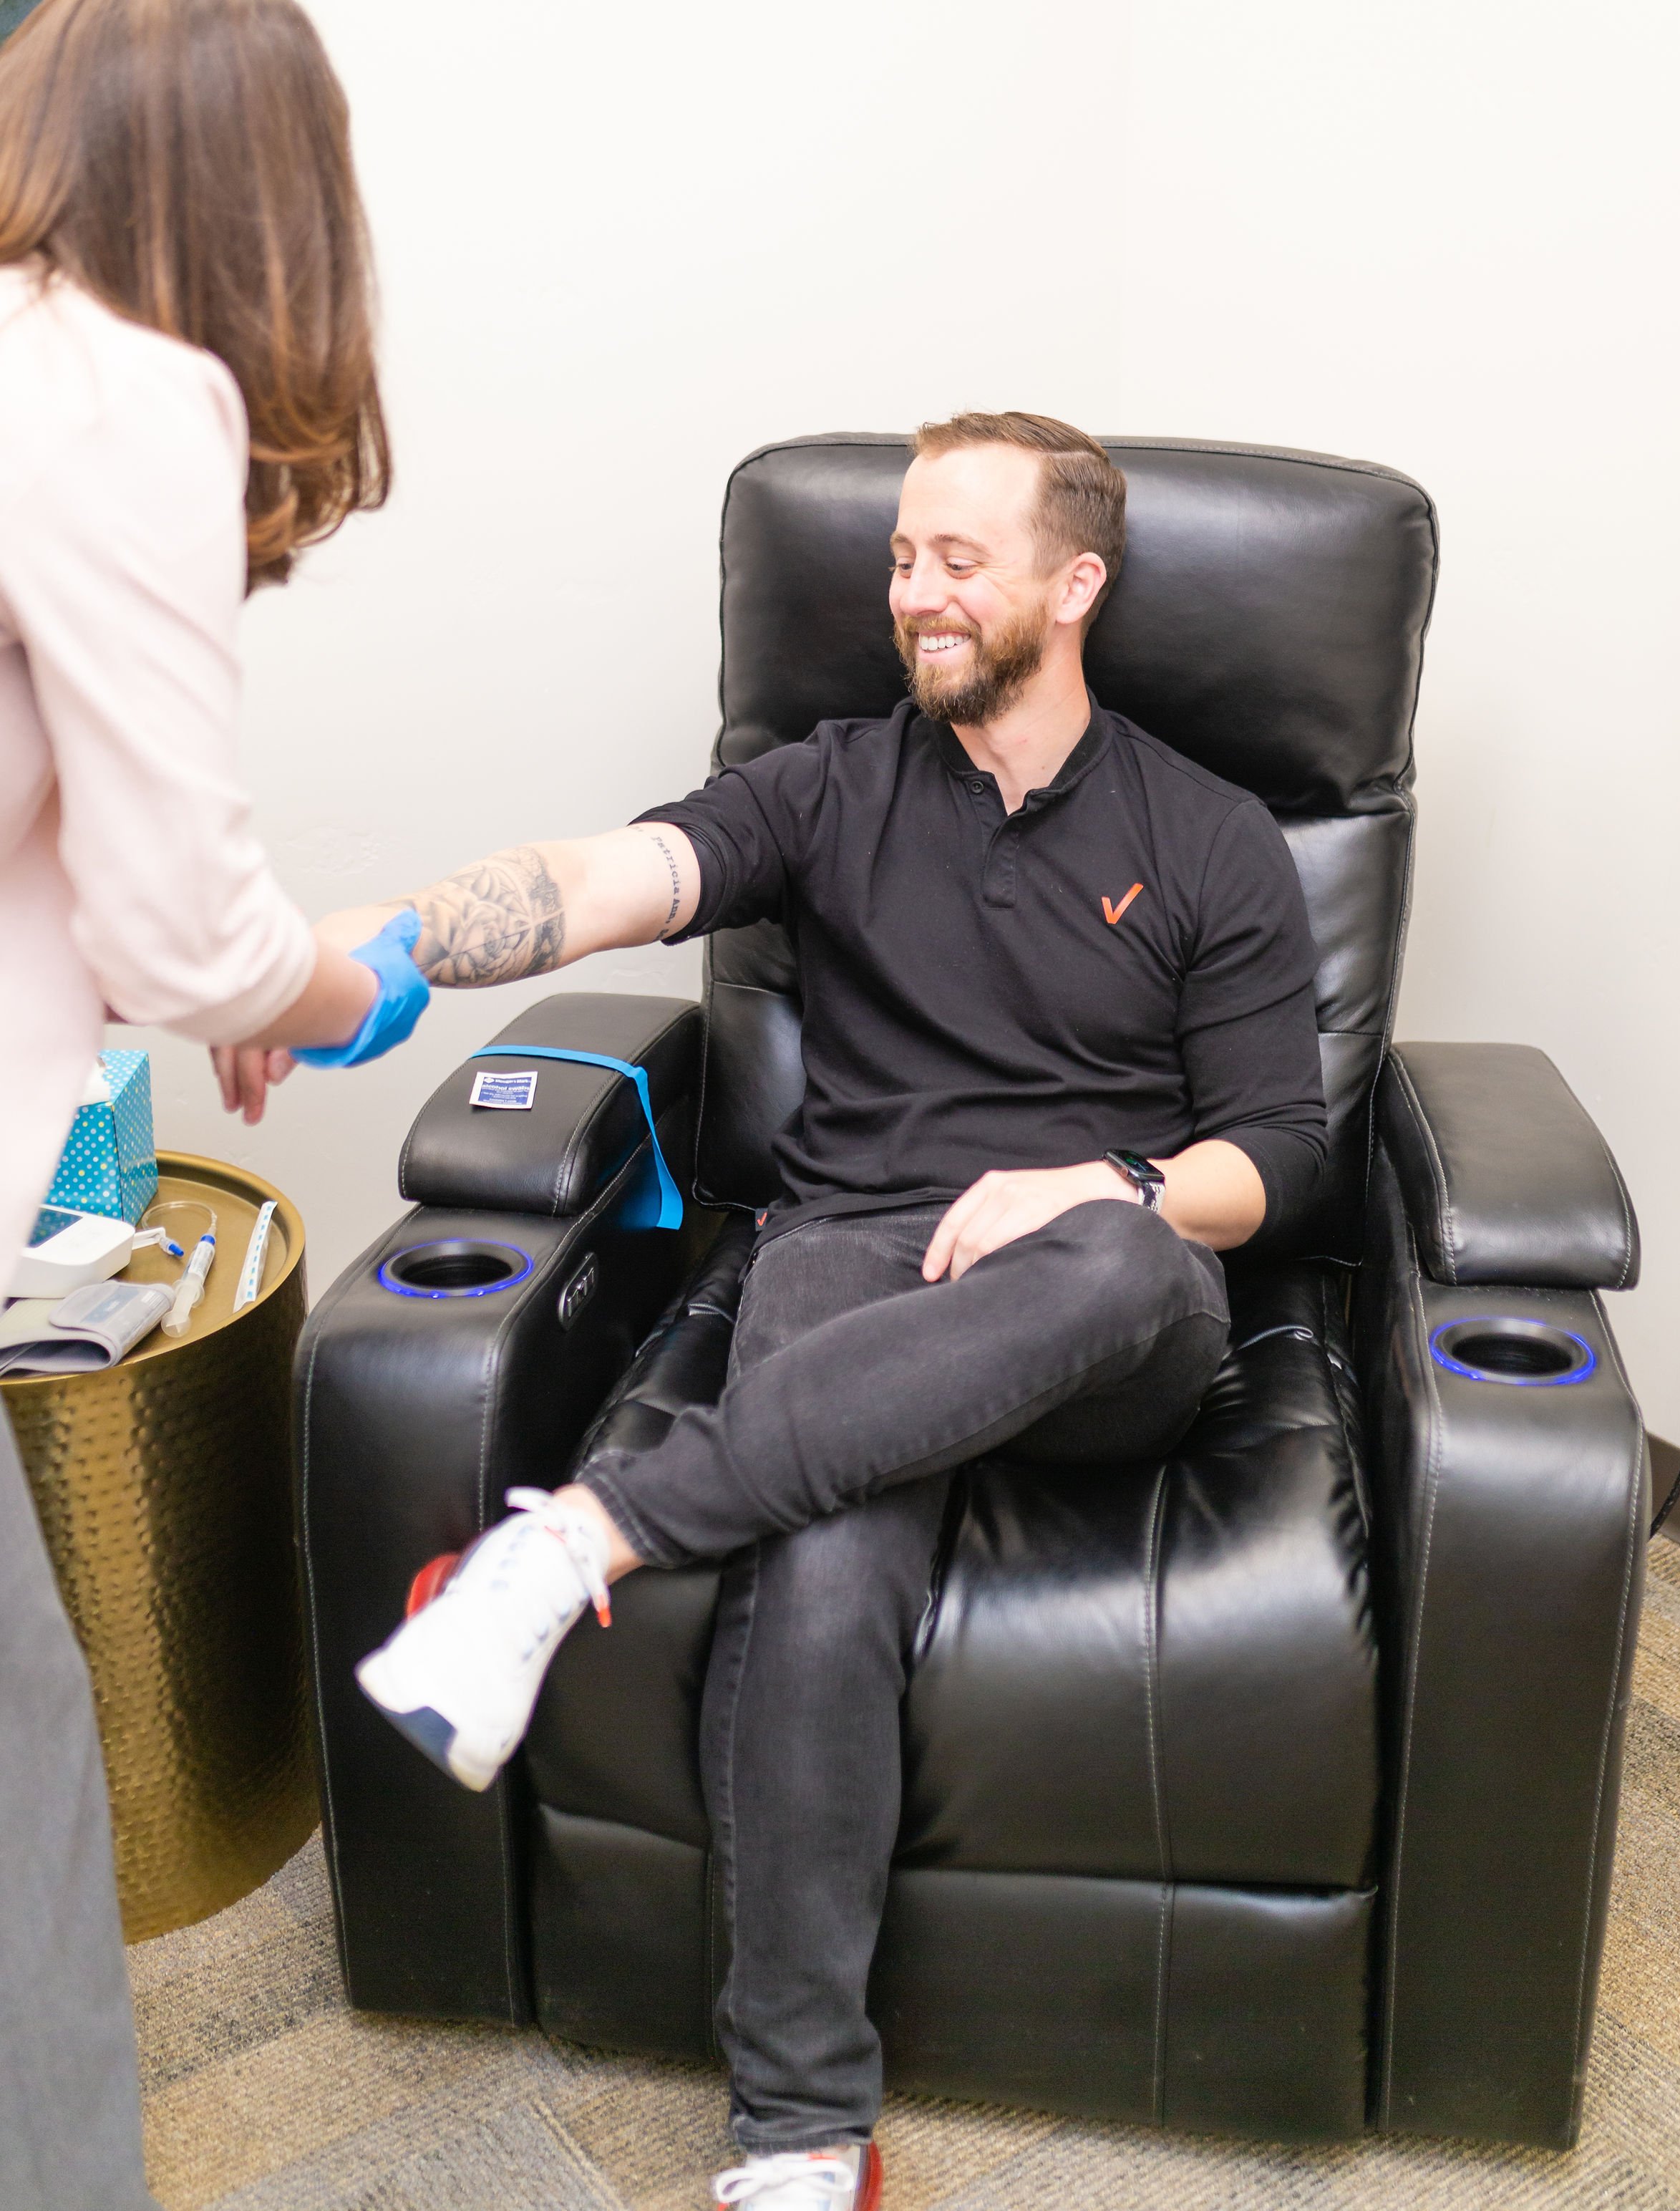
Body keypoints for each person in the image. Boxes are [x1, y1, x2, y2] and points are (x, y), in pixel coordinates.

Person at [225, 410, 1326, 2211]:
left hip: (1100, 1298)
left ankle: (577, 1540)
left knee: (1131, 1259)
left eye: (958, 558)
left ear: (1076, 583)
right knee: (818, 1565)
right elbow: (608, 879)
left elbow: (1277, 1156)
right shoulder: (829, 786)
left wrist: (1103, 1190)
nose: (915, 593)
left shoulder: (1207, 836)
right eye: (899, 557)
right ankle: (802, 2137)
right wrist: (382, 943)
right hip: (857, 1254)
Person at [0, 0, 428, 2211]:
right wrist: (333, 986)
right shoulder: (123, 394)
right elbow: (185, 926)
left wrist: (223, 958)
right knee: (19, 1785)